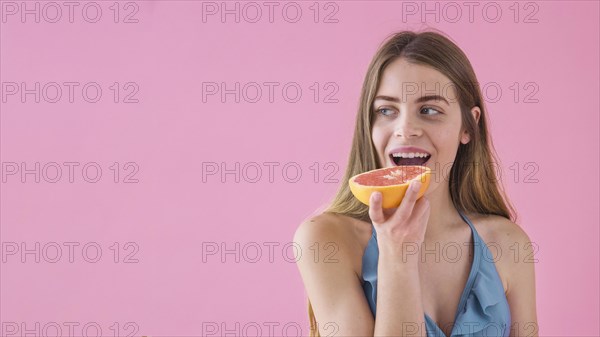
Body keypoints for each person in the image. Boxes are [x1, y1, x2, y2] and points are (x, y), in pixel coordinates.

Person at [293, 30, 539, 337]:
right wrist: (398, 257)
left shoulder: (509, 244)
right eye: (386, 110)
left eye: (430, 110)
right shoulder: (325, 240)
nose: (405, 129)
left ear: (468, 126)